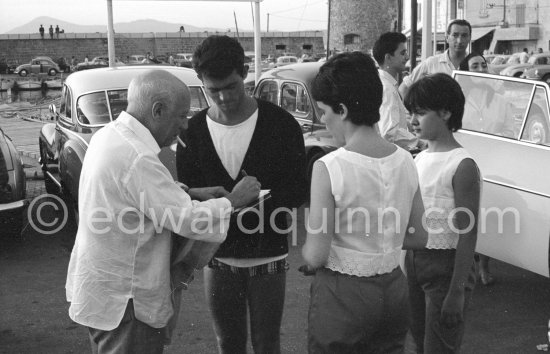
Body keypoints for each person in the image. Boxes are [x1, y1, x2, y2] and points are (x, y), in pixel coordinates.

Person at [65, 69, 261, 354]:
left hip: (104, 290)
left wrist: (188, 192)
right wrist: (234, 201)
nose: (184, 125)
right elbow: (186, 219)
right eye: (181, 116)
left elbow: (134, 193)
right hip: (127, 301)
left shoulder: (109, 135)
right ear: (157, 110)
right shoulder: (137, 155)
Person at [177, 35, 307, 354]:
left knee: (267, 343)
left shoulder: (282, 124)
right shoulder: (192, 132)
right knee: (228, 343)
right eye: (213, 90)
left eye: (232, 87)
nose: (223, 98)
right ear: (200, 82)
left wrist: (254, 202)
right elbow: (188, 195)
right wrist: (234, 202)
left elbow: (298, 188)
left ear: (245, 71)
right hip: (217, 257)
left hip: (269, 253)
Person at [301, 51, 428, 353]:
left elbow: (316, 255)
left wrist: (310, 252)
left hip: (343, 295)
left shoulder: (329, 166)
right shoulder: (407, 161)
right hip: (394, 290)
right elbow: (420, 237)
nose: (323, 119)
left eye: (324, 111)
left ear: (342, 110)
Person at [403, 73, 481, 354]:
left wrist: (457, 291)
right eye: (410, 112)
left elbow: (468, 231)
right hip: (414, 262)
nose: (412, 119)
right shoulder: (419, 158)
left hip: (446, 266)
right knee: (419, 342)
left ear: (446, 112)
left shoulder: (462, 164)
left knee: (440, 345)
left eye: (420, 113)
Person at [458, 53, 496, 287]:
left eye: (483, 65)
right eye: (475, 66)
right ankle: (468, 264)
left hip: (493, 160)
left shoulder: (499, 98)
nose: (480, 69)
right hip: (468, 160)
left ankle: (485, 266)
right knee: (468, 213)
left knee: (490, 213)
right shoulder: (460, 99)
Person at [399, 19, 471, 98]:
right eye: (455, 35)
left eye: (464, 36)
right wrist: (413, 109)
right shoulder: (431, 64)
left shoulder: (478, 65)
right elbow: (404, 88)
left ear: (469, 38)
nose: (459, 40)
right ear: (447, 37)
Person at [373, 32, 420, 151]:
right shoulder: (386, 88)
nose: (407, 57)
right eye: (403, 53)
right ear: (388, 58)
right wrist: (419, 142)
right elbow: (389, 133)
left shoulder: (384, 84)